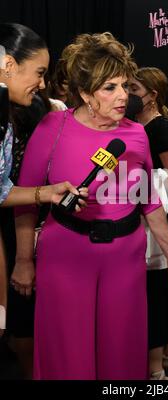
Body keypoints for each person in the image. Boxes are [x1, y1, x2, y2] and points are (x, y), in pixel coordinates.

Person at [12, 32, 168, 380]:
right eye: (110, 87)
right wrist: (23, 261)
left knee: (122, 356)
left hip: (125, 259)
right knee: (68, 358)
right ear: (84, 92)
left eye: (125, 85)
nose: (123, 96)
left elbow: (148, 200)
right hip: (65, 255)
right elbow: (26, 199)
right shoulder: (52, 128)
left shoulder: (136, 134)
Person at [0, 23, 87, 348]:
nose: (42, 83)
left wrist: (46, 193)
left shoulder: (8, 120)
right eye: (38, 72)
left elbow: (1, 190)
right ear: (8, 64)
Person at [129, 66, 168, 380]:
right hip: (140, 224)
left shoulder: (162, 129)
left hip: (160, 226)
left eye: (134, 89)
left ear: (152, 96)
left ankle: (163, 367)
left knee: (160, 297)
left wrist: (140, 192)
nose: (128, 95)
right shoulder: (129, 125)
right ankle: (166, 363)